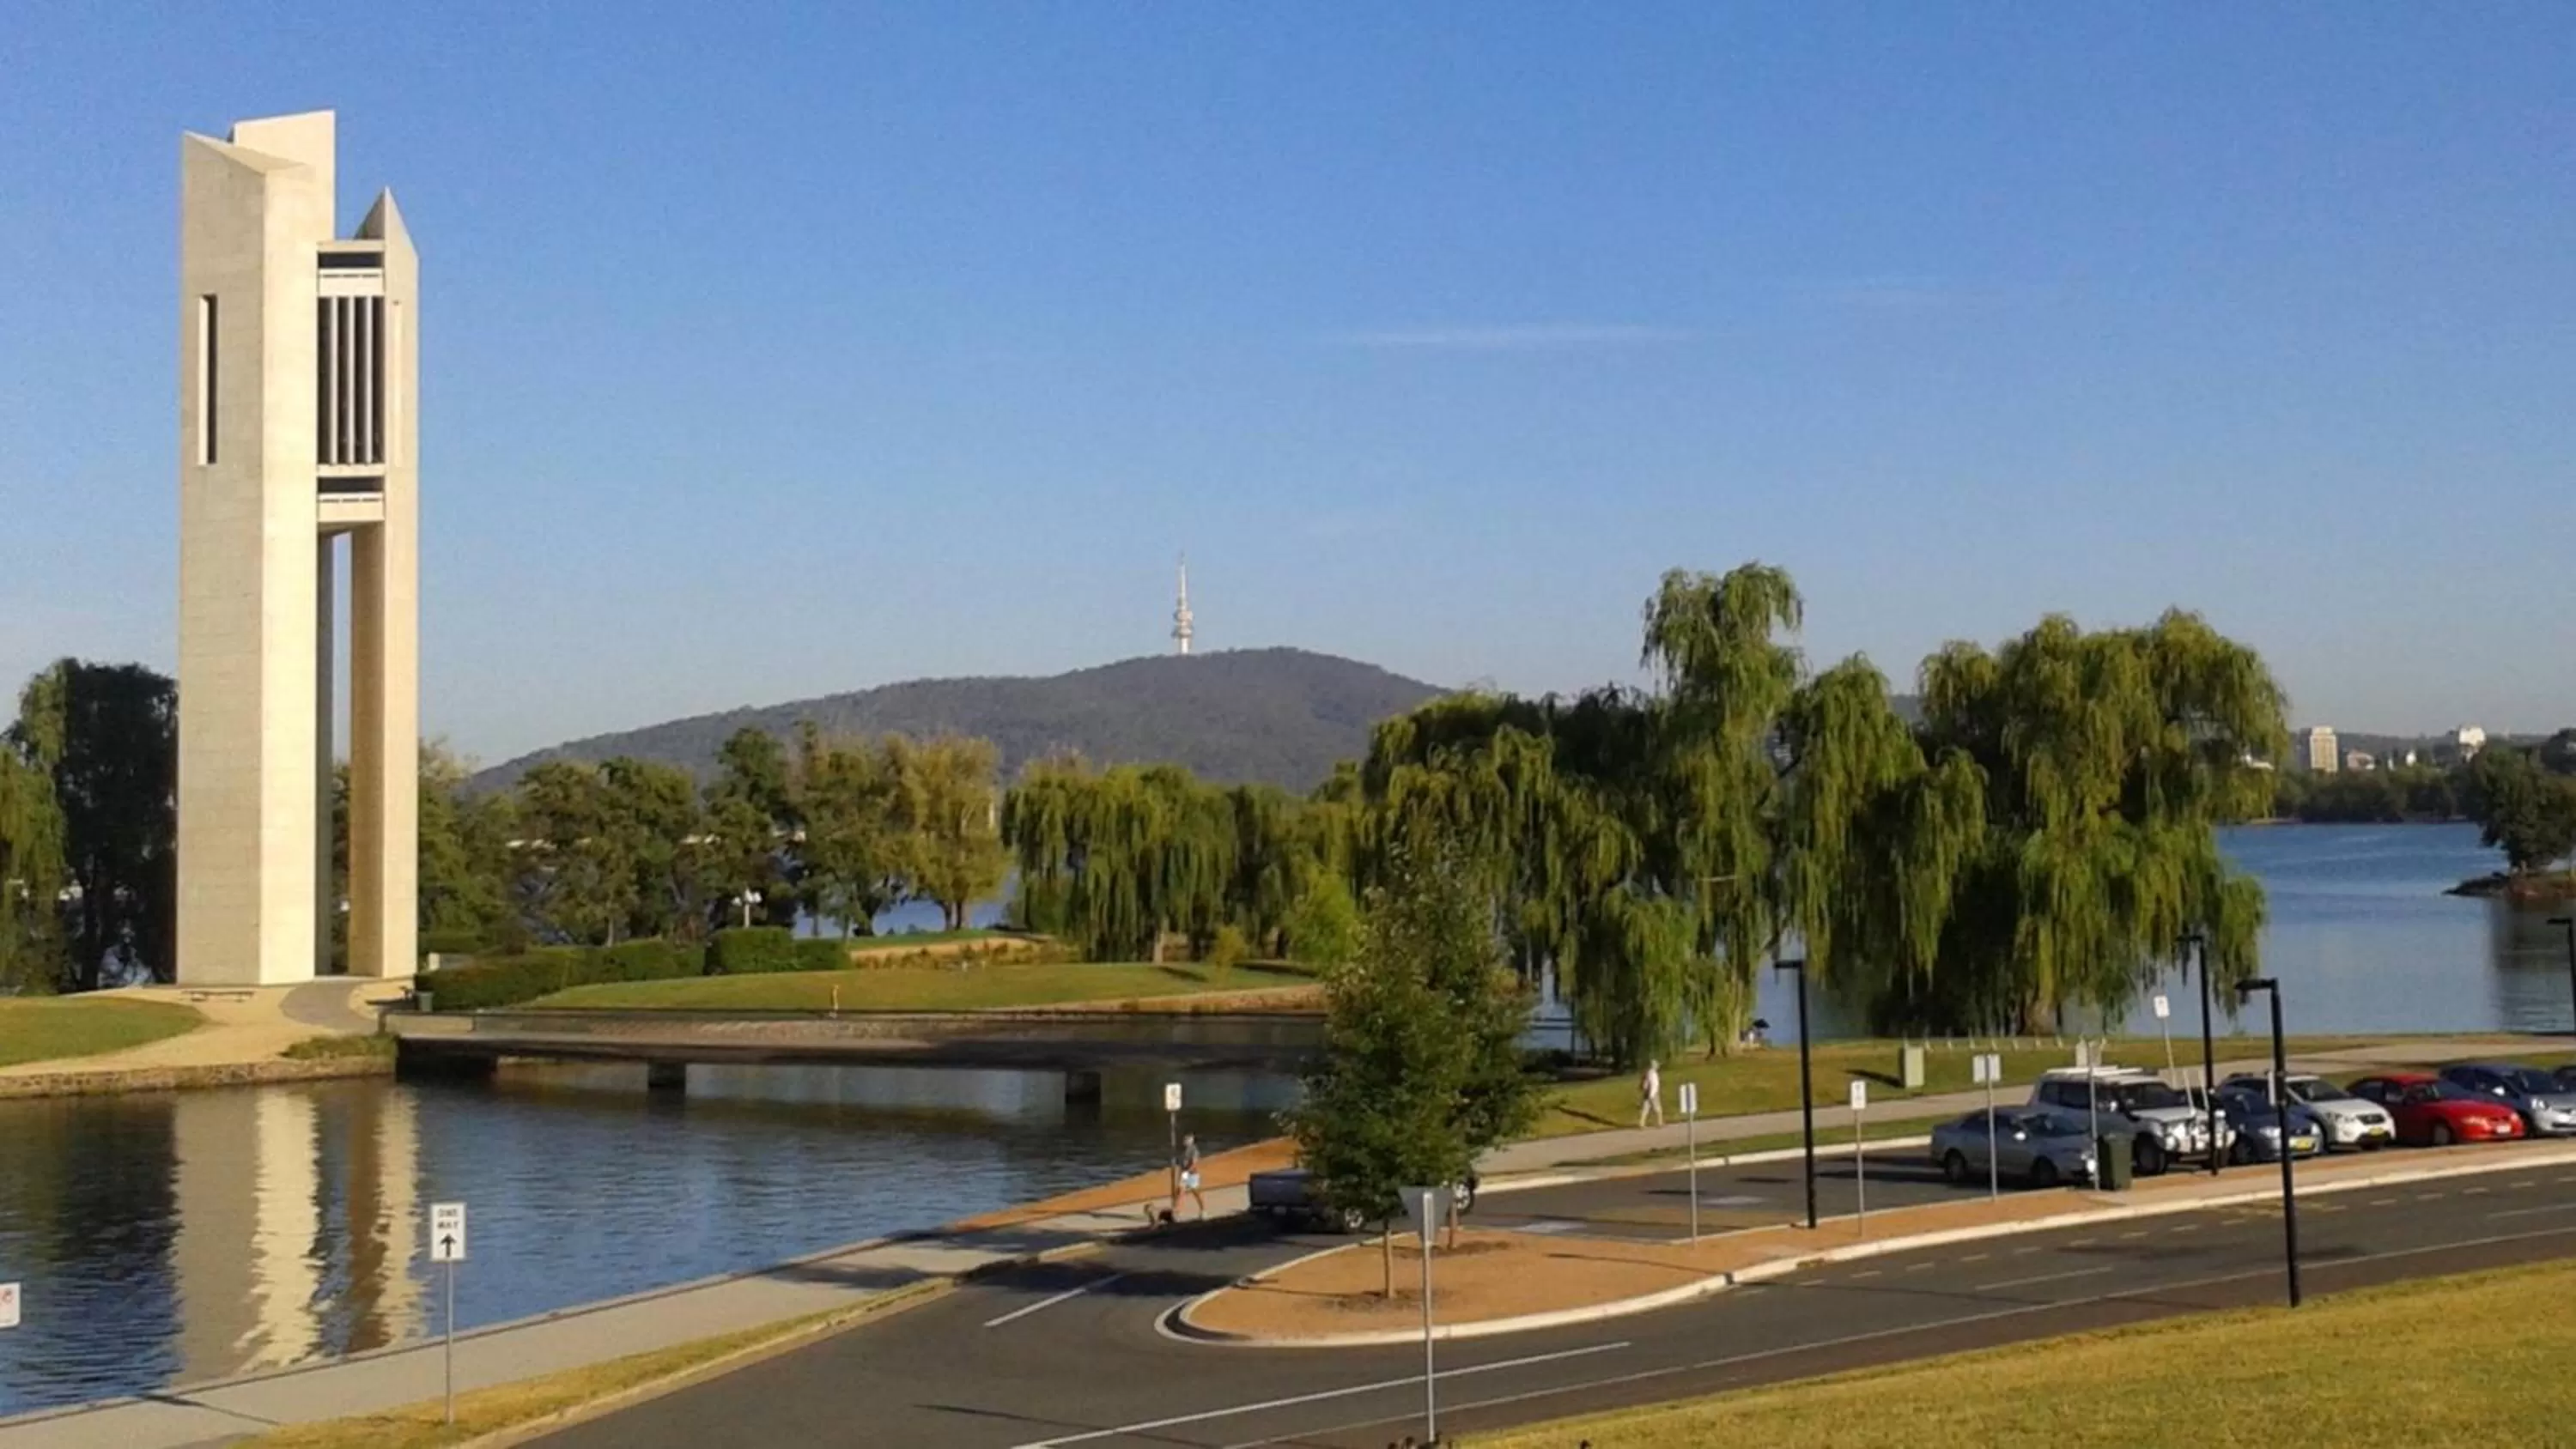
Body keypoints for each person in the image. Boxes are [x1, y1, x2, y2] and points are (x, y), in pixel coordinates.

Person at [1177, 1133, 1208, 1220]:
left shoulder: (1194, 1150)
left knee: (1196, 1192)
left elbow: (1194, 1163)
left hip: (1192, 1174)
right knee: (1181, 1192)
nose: (1184, 1141)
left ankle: (1203, 1210)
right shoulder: (1183, 1151)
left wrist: (1188, 1171)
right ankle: (1178, 1212)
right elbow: (1181, 1163)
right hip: (1184, 1174)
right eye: (1184, 1140)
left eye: (1186, 1140)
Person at [1638, 1058, 1665, 1128]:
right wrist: (1652, 1095)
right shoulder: (1653, 1074)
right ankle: (1660, 1123)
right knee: (1658, 1109)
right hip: (1653, 1093)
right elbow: (1654, 1085)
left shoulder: (1648, 1073)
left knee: (1645, 1109)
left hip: (1647, 1093)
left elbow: (1645, 1084)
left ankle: (1641, 1124)